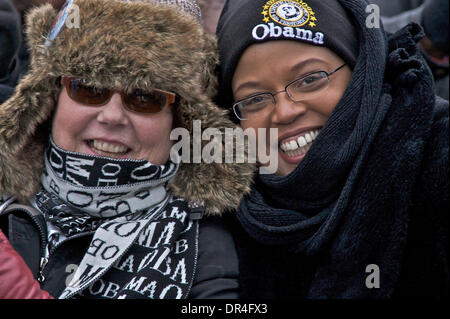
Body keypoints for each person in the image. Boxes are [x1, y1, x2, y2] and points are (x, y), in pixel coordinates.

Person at [0, 0, 254, 299]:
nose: (111, 116)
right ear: (51, 99)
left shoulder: (205, 250)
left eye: (144, 98)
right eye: (89, 88)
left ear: (180, 122)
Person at [216, 0, 448, 298]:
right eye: (255, 99)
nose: (284, 112)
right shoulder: (221, 214)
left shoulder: (436, 154)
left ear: (362, 72)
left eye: (310, 79)